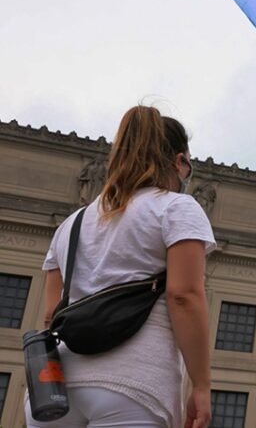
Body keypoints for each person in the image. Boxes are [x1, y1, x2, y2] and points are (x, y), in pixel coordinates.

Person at [25, 106, 216, 428]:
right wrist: (201, 385)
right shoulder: (176, 207)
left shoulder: (71, 224)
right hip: (133, 385)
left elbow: (51, 315)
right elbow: (183, 295)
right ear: (180, 161)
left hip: (54, 391)